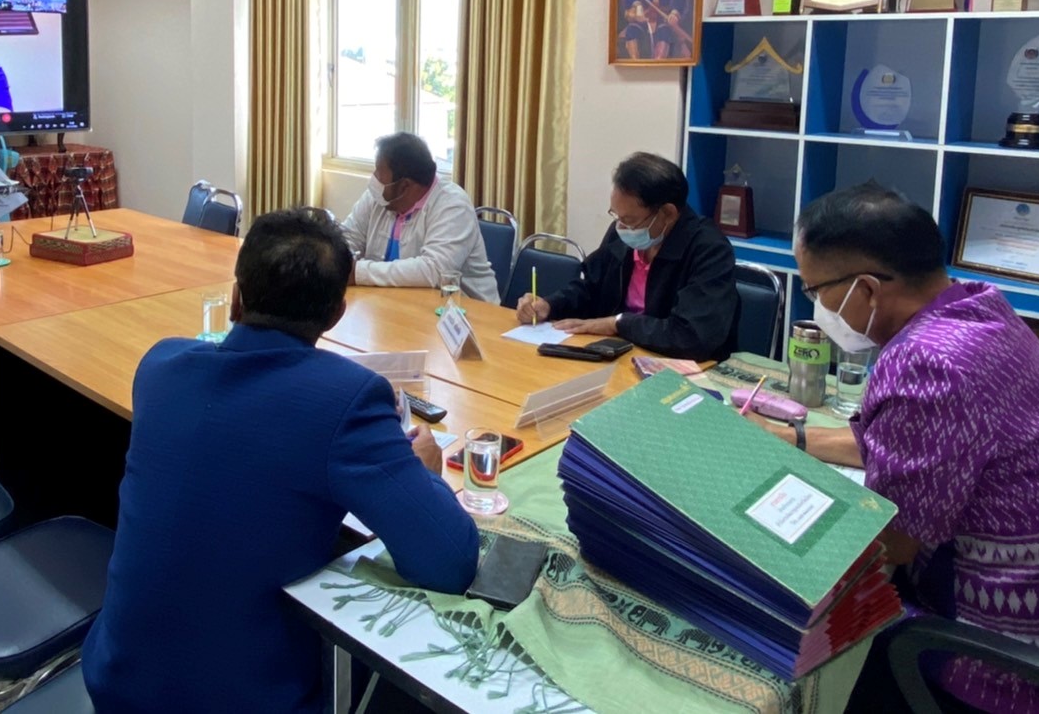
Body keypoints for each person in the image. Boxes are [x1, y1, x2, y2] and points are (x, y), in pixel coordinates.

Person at [82, 208, 479, 713]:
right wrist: (426, 473)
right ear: (336, 314)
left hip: (115, 680)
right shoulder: (347, 399)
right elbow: (450, 562)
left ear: (235, 297)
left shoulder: (160, 366)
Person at [749, 184, 1039, 714]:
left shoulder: (927, 362)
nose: (817, 308)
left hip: (1005, 667)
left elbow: (891, 545)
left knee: (777, 628)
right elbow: (899, 444)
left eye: (815, 292)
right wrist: (792, 439)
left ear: (867, 290)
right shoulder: (976, 309)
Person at [517, 152, 738, 360]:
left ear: (668, 213)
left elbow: (691, 336)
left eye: (630, 220)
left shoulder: (709, 249)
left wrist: (618, 324)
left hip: (681, 367)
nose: (621, 227)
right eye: (617, 216)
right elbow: (591, 288)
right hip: (620, 355)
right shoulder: (623, 232)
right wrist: (549, 305)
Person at [341, 132, 499, 303]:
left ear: (404, 185)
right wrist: (340, 259)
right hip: (396, 305)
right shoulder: (378, 197)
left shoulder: (453, 205)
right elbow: (347, 238)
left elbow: (434, 270)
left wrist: (358, 272)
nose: (374, 179)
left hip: (465, 315)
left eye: (379, 174)